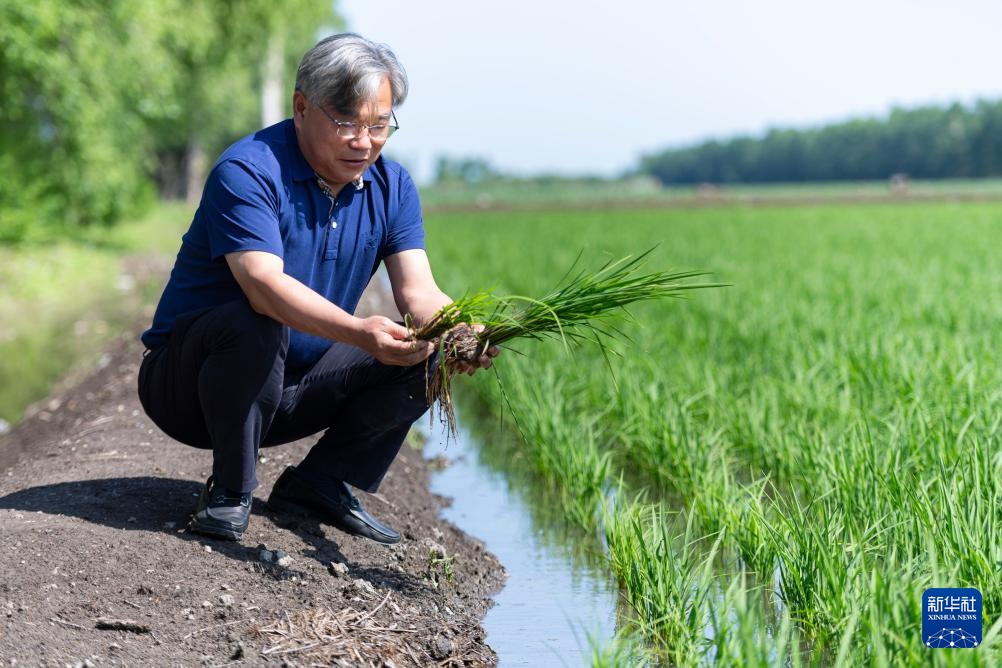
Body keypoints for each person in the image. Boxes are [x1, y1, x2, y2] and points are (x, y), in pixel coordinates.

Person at [137, 33, 496, 544]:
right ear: (301, 107)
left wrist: (461, 328)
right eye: (347, 123)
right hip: (191, 387)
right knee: (254, 319)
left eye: (379, 125)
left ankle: (319, 482)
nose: (364, 141)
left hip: (292, 387)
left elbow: (419, 293)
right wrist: (356, 332)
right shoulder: (249, 171)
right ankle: (230, 491)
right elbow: (262, 286)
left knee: (427, 345)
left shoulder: (392, 187)